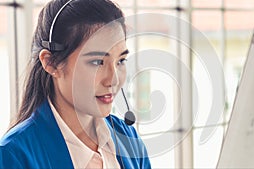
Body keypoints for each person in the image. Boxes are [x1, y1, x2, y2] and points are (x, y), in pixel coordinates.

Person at [0, 0, 151, 168]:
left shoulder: (128, 139)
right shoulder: (14, 156)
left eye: (120, 61)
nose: (113, 80)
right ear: (51, 63)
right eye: (97, 62)